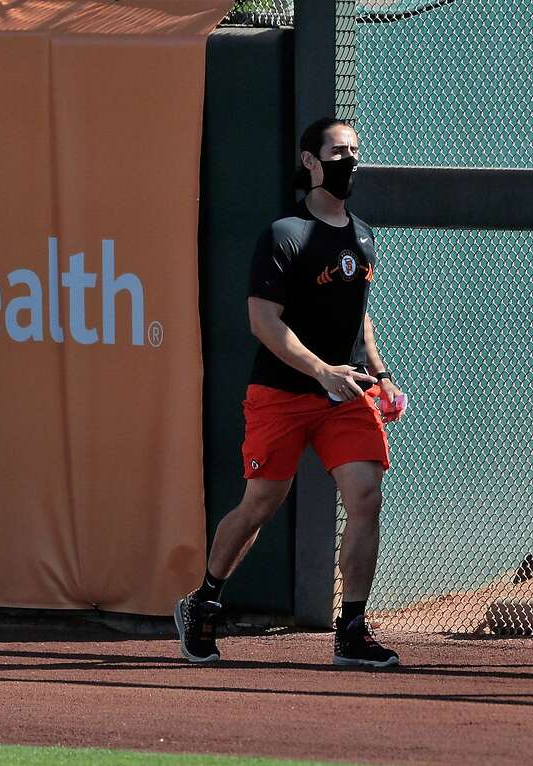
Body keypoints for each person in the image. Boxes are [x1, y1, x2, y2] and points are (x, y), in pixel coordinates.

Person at [175, 118, 408, 668]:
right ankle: (205, 600)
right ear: (309, 162)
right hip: (281, 391)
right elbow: (264, 321)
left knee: (366, 497)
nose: (348, 161)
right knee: (260, 503)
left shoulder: (363, 234)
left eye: (354, 151)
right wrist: (319, 369)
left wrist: (379, 373)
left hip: (345, 393)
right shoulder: (284, 234)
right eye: (336, 152)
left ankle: (351, 628)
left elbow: (359, 316)